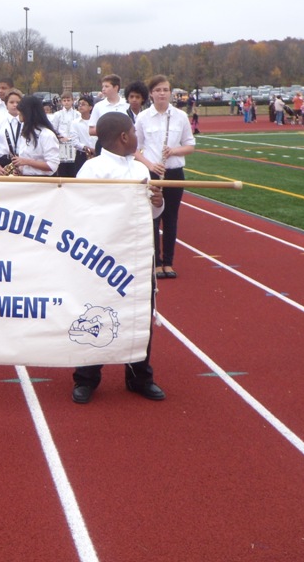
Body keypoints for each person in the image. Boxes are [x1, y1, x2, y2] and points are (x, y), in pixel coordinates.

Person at [72, 111, 165, 404]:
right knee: (95, 312)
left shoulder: (140, 170)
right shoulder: (92, 170)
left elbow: (151, 214)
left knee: (139, 315)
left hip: (136, 254)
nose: (138, 137)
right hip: (102, 256)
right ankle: (86, 378)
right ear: (124, 136)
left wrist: (157, 202)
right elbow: (81, 210)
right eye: (134, 132)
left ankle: (139, 377)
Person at [135, 75, 195, 280]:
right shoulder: (142, 118)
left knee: (171, 218)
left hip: (174, 172)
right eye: (158, 90)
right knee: (153, 218)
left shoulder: (179, 116)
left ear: (170, 93)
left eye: (166, 90)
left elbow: (190, 145)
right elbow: (134, 150)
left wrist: (174, 151)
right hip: (152, 172)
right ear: (151, 93)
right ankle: (156, 263)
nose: (162, 93)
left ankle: (168, 262)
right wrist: (151, 165)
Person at [10, 95, 60, 176]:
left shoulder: (47, 135)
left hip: (42, 182)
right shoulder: (25, 134)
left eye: (21, 110)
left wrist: (26, 162)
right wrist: (20, 170)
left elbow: (52, 166)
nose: (18, 113)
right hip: (26, 181)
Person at [0, 89, 23, 175]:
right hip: (2, 165)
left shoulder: (27, 123)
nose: (15, 105)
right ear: (6, 105)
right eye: (11, 102)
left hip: (21, 164)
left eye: (18, 102)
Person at [88, 74, 129, 139]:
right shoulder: (98, 106)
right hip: (105, 146)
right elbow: (91, 130)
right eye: (103, 86)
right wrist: (109, 131)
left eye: (106, 86)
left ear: (116, 87)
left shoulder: (127, 105)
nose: (103, 89)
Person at [51, 92, 80, 178]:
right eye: (64, 100)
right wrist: (60, 137)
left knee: (73, 169)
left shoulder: (77, 114)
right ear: (61, 102)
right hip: (62, 145)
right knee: (62, 169)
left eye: (68, 100)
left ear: (72, 101)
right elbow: (53, 129)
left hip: (74, 145)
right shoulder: (57, 115)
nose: (66, 102)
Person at [70, 94, 95, 174]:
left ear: (90, 107)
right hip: (82, 155)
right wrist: (87, 148)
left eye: (83, 104)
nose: (80, 106)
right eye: (79, 104)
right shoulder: (75, 123)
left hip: (96, 153)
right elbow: (74, 141)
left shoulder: (96, 121)